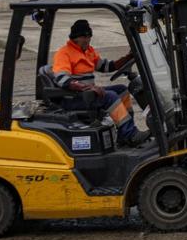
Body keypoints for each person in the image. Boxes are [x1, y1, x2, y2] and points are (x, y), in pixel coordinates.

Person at [52, 19, 151, 147]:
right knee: (110, 96)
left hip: (88, 94)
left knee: (121, 89)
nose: (87, 40)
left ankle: (125, 133)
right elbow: (61, 78)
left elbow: (107, 66)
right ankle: (130, 134)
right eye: (84, 37)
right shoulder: (64, 53)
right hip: (74, 97)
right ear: (75, 38)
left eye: (89, 37)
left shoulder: (88, 51)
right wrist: (85, 87)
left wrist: (128, 57)